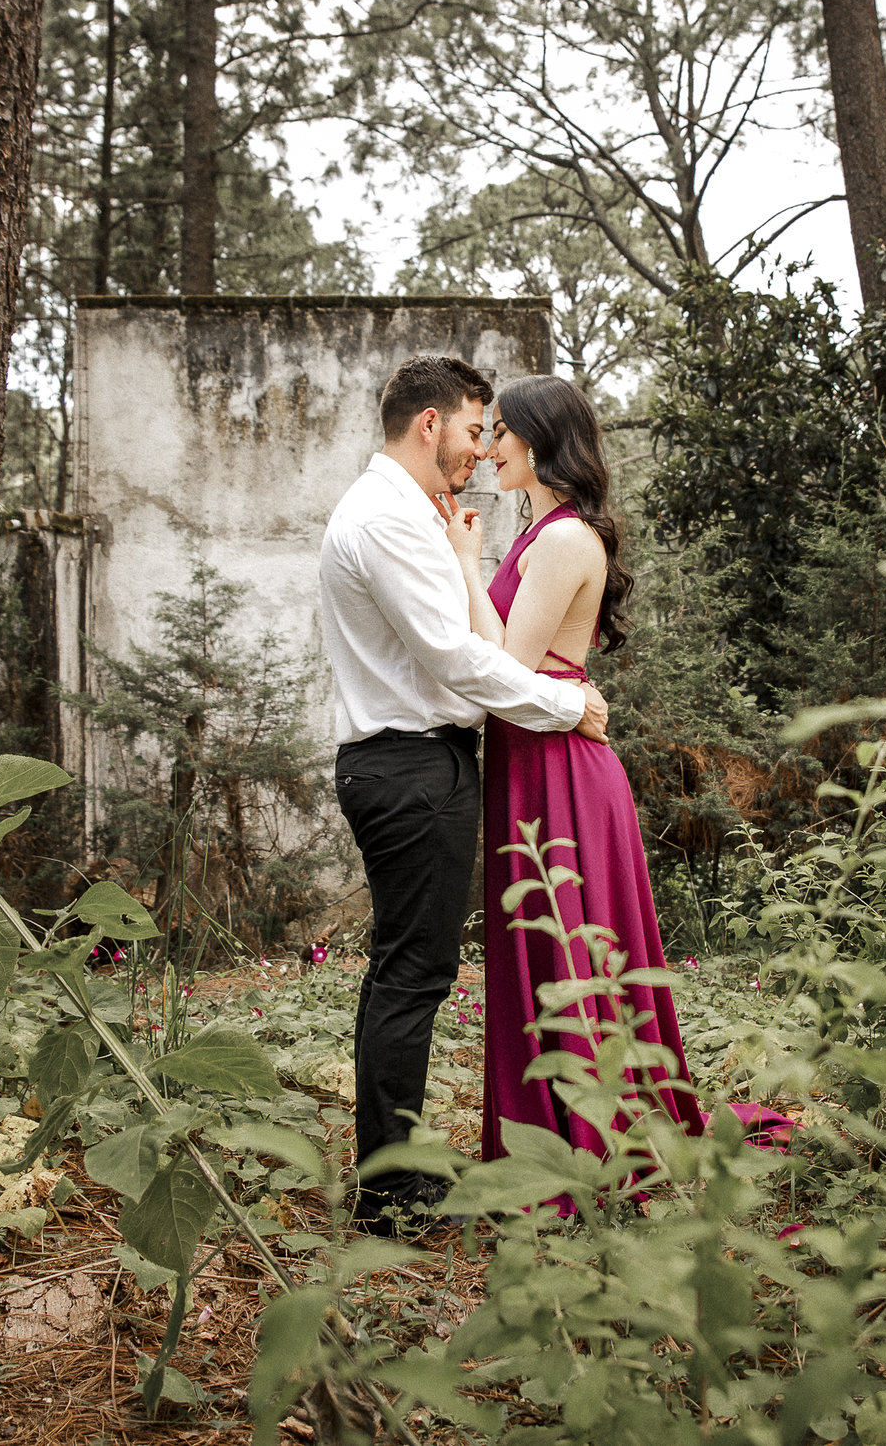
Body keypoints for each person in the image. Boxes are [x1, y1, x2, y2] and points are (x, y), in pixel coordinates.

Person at [317, 354, 612, 1238]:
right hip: (410, 768)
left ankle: (390, 1173)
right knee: (414, 975)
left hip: (418, 763)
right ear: (431, 424)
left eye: (496, 435)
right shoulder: (386, 520)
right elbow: (457, 658)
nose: (483, 452)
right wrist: (568, 703)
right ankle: (393, 1193)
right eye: (475, 431)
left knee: (408, 973)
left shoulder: (407, 512)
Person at [443, 373, 710, 1169]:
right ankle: (553, 1136)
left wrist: (463, 560)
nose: (488, 448)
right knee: (545, 943)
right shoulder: (545, 530)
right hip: (535, 754)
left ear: (539, 441)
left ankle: (585, 1143)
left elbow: (507, 662)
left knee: (568, 947)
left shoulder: (561, 539)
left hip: (559, 767)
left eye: (501, 434)